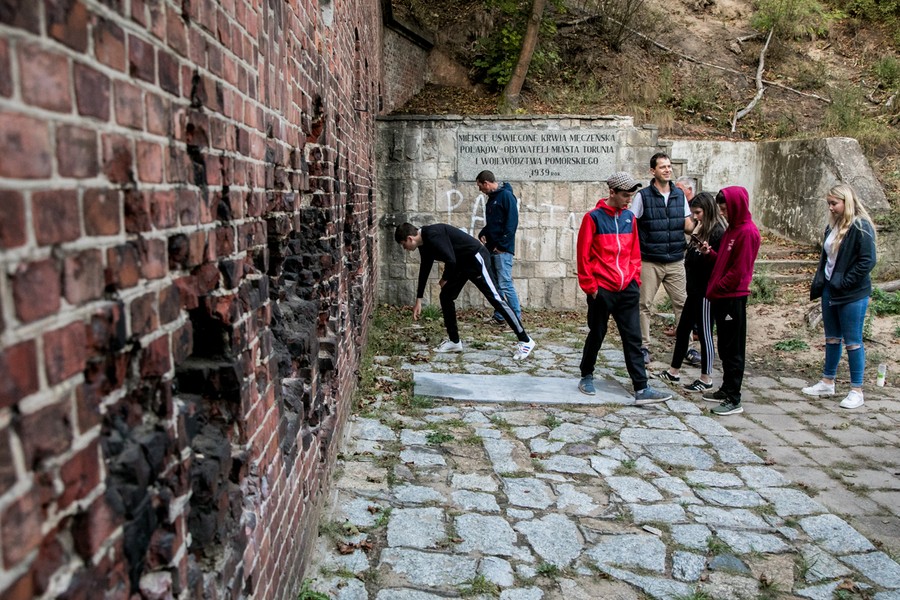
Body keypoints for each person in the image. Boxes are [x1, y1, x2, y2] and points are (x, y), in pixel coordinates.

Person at [576, 172, 673, 406]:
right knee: (597, 333)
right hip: (602, 290)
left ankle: (641, 387)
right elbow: (583, 256)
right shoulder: (593, 218)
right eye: (625, 196)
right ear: (612, 192)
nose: (629, 200)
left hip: (627, 289)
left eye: (631, 196)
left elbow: (634, 253)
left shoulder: (630, 218)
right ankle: (586, 374)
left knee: (633, 338)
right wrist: (591, 287)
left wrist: (634, 280)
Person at [395, 222, 536, 360]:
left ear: (410, 239)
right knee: (446, 296)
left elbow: (450, 260)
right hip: (462, 264)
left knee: (495, 298)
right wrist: (418, 299)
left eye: (403, 245)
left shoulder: (432, 235)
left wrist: (445, 279)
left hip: (476, 258)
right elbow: (425, 268)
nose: (405, 248)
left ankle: (525, 340)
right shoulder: (424, 244)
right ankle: (454, 342)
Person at [801, 183, 877, 409]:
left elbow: (867, 261)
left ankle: (856, 389)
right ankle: (827, 381)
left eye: (834, 203)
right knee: (832, 338)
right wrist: (824, 283)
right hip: (830, 290)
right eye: (829, 204)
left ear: (847, 202)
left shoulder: (861, 227)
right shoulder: (831, 227)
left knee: (853, 341)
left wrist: (845, 282)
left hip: (852, 293)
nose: (831, 208)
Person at [698, 186, 761, 416]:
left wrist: (717, 288)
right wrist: (709, 254)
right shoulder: (732, 230)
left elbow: (738, 272)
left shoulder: (747, 232)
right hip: (722, 297)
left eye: (725, 208)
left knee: (734, 349)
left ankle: (734, 398)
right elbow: (724, 261)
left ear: (735, 206)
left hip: (732, 298)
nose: (722, 213)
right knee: (725, 346)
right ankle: (726, 389)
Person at [657, 192, 727, 392]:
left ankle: (706, 378)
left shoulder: (717, 233)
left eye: (698, 212)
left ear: (708, 210)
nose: (695, 216)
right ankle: (673, 371)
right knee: (683, 329)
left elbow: (718, 263)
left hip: (706, 293)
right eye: (693, 213)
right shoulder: (701, 229)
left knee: (705, 333)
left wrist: (706, 255)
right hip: (693, 290)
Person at [630, 153, 694, 365]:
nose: (667, 170)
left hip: (676, 259)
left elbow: (687, 224)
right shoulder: (643, 196)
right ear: (653, 171)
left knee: (683, 304)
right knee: (643, 305)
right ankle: (643, 347)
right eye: (662, 167)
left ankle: (688, 348)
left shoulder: (679, 195)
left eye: (669, 166)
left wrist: (704, 226)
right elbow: (631, 225)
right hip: (650, 260)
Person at [476, 171, 523, 325]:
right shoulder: (492, 199)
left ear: (486, 183)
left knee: (505, 283)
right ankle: (500, 315)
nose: (480, 190)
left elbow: (511, 223)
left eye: (480, 186)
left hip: (502, 250)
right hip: (493, 248)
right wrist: (484, 233)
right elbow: (494, 224)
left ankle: (515, 317)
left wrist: (502, 246)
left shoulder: (506, 197)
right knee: (497, 286)